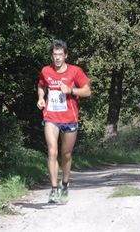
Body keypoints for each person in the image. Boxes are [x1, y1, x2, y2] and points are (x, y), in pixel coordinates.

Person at [37, 39, 91, 203]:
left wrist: (71, 90)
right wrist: (41, 98)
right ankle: (54, 189)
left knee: (66, 154)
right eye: (55, 55)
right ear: (52, 56)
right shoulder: (46, 71)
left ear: (66, 55)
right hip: (51, 116)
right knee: (52, 151)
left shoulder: (75, 71)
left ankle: (65, 185)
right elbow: (41, 86)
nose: (57, 58)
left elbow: (88, 91)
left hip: (69, 118)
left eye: (60, 55)